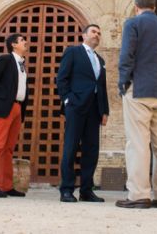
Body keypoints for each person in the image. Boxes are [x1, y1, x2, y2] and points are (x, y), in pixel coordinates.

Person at [116, 0, 157, 209]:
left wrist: (123, 81)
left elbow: (127, 55)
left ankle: (139, 195)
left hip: (139, 88)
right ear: (154, 7)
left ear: (136, 7)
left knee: (138, 144)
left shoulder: (133, 23)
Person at [57, 24, 110, 203]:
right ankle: (66, 189)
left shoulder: (100, 60)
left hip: (94, 110)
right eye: (94, 31)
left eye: (99, 32)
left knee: (91, 150)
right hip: (76, 106)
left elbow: (102, 87)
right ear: (84, 35)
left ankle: (87, 190)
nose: (97, 35)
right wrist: (67, 100)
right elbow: (62, 78)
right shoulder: (73, 52)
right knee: (71, 148)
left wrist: (105, 111)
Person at [0, 33, 29, 198]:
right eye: (22, 40)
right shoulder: (5, 60)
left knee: (8, 148)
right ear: (14, 45)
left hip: (17, 108)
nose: (25, 42)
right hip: (4, 108)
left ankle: (6, 185)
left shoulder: (22, 64)